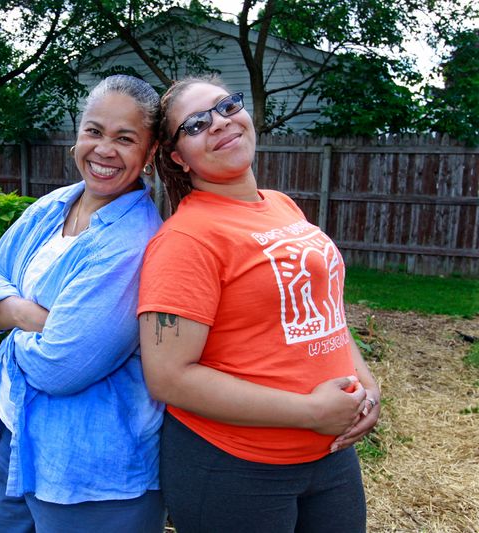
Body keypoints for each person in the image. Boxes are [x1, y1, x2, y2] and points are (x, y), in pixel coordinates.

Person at [137, 75, 381, 532]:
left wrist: (366, 383)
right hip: (236, 466)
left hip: (328, 456)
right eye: (195, 125)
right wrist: (310, 411)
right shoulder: (186, 240)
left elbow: (324, 310)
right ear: (177, 157)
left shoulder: (282, 205)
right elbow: (168, 377)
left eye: (227, 106)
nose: (220, 123)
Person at [0, 75, 165, 533]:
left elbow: (61, 366)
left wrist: (10, 322)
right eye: (94, 131)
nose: (104, 149)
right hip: (12, 429)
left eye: (125, 138)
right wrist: (32, 318)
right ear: (77, 135)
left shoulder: (133, 243)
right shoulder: (53, 206)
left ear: (151, 153)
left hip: (90, 469)